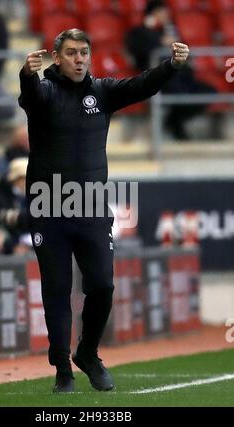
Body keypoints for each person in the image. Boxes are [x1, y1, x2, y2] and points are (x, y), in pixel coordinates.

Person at [19, 28, 189, 393]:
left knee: (102, 285)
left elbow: (142, 86)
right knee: (57, 287)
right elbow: (30, 96)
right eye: (71, 53)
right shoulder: (45, 92)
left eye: (84, 53)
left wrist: (171, 66)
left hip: (91, 207)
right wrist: (26, 74)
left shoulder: (103, 91)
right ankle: (62, 367)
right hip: (48, 206)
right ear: (57, 57)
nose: (79, 60)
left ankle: (88, 353)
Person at [125, 0, 216, 140]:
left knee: (208, 91)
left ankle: (173, 121)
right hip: (159, 78)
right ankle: (175, 126)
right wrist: (159, 39)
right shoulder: (139, 32)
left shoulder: (171, 32)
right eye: (161, 12)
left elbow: (185, 53)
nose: (165, 15)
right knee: (178, 92)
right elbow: (140, 52)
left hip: (182, 77)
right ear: (151, 14)